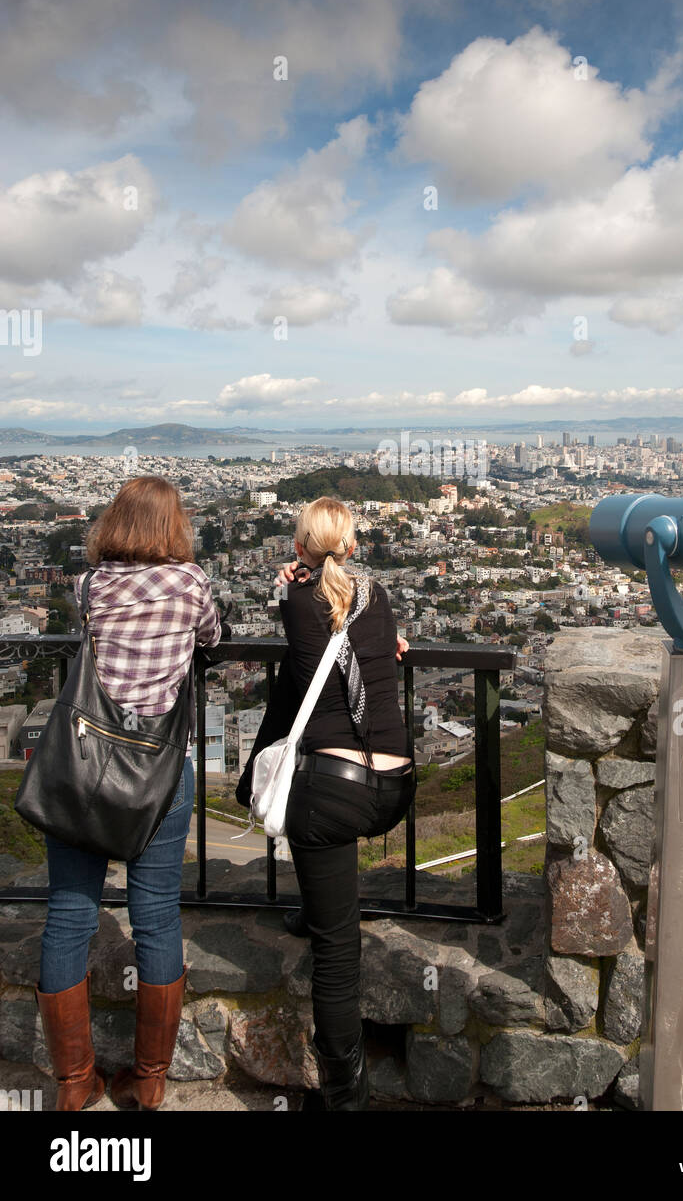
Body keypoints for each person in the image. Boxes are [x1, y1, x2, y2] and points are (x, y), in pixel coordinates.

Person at [35, 475, 221, 1111]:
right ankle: (150, 1078)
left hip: (84, 771)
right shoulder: (191, 585)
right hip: (160, 775)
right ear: (175, 527)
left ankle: (73, 1083)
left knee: (68, 916)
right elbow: (211, 639)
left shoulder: (92, 586)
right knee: (157, 917)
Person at [235, 496, 414, 1111]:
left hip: (335, 790)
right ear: (355, 546)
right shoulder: (378, 598)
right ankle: (317, 911)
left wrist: (288, 581)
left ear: (298, 548)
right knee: (329, 898)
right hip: (395, 784)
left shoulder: (296, 599)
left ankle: (345, 1098)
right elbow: (357, 637)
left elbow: (307, 638)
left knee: (339, 951)